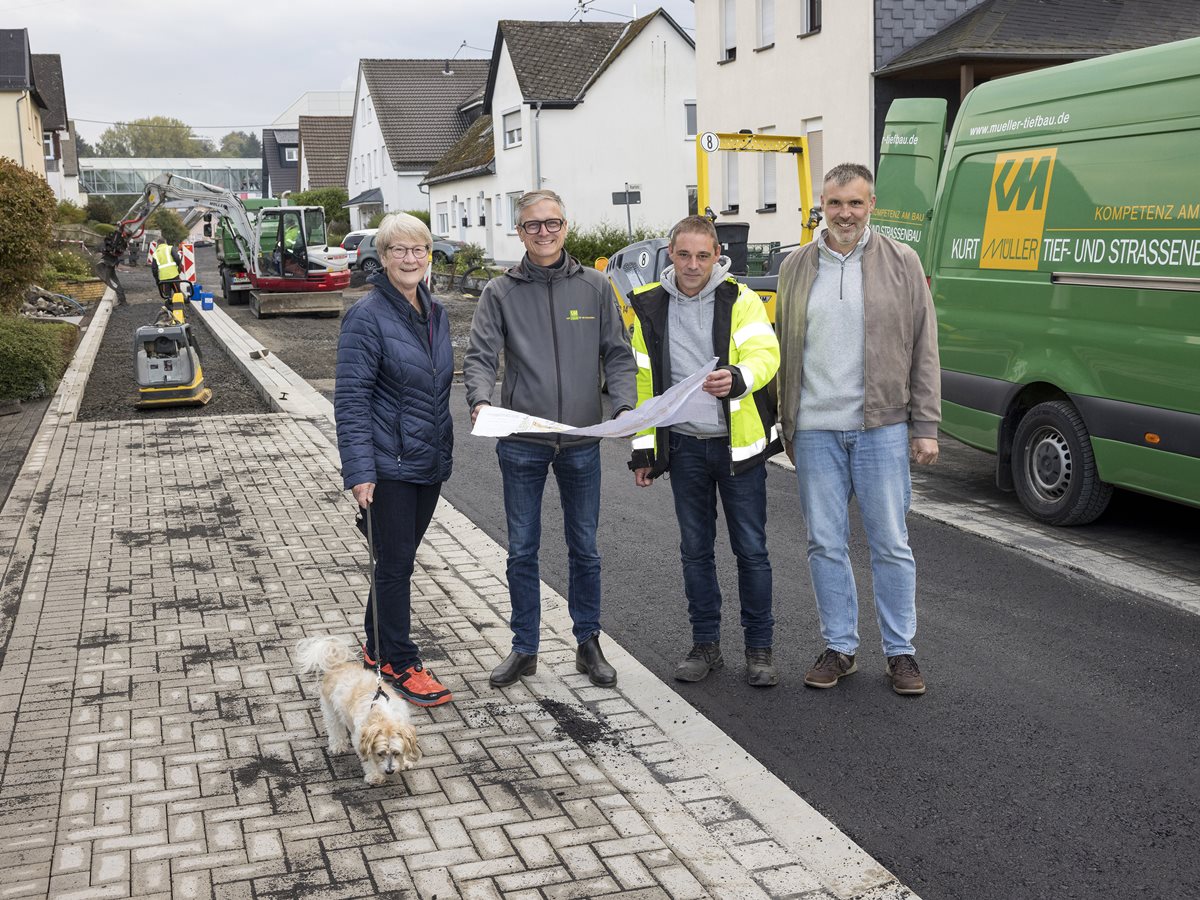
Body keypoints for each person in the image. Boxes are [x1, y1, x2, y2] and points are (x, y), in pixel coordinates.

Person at [775, 162, 941, 696]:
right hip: (816, 429)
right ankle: (840, 647)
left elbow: (924, 347)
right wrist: (786, 423)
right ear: (820, 206)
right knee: (825, 542)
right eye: (835, 203)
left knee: (891, 543)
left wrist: (926, 424)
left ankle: (901, 654)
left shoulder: (902, 262)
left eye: (856, 203)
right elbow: (780, 348)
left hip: (883, 427)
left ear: (872, 205)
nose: (844, 213)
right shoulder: (796, 266)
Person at [464, 189, 637, 689]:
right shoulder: (500, 292)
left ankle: (588, 644)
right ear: (519, 232)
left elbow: (619, 355)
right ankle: (525, 648)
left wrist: (623, 405)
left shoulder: (597, 287)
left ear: (566, 226)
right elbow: (479, 356)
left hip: (582, 440)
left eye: (552, 223)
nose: (544, 232)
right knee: (522, 549)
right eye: (533, 225)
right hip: (522, 440)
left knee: (585, 547)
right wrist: (479, 398)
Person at [627, 215, 783, 687]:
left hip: (738, 449)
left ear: (718, 256)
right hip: (687, 449)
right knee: (695, 551)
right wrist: (644, 452)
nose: (692, 265)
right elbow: (643, 384)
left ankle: (760, 651)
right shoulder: (650, 307)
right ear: (669, 256)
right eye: (683, 255)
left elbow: (765, 355)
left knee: (751, 551)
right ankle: (706, 646)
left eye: (702, 255)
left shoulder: (741, 299)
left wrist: (737, 378)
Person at [334, 212, 454, 707]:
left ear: (428, 255)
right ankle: (400, 662)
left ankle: (376, 644)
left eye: (418, 249)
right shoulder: (366, 317)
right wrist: (361, 471)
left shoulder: (435, 311)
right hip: (388, 468)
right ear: (381, 259)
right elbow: (352, 400)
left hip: (428, 463)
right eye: (399, 250)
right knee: (396, 564)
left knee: (393, 560)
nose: (410, 258)